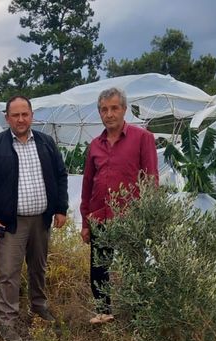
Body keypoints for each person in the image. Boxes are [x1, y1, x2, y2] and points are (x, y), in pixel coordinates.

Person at [0, 95, 69, 341]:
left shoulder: (46, 143)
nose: (20, 119)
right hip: (10, 223)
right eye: (15, 115)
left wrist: (61, 208)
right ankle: (7, 321)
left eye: (24, 114)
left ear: (32, 116)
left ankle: (38, 306)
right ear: (7, 118)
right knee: (8, 272)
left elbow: (60, 175)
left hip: (41, 219)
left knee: (38, 267)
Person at [80, 87, 159, 324]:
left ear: (124, 109)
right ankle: (103, 312)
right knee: (99, 267)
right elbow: (87, 185)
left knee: (134, 266)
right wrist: (86, 222)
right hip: (100, 217)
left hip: (130, 217)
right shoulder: (95, 145)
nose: (109, 113)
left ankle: (138, 315)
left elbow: (151, 179)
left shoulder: (142, 138)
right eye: (104, 109)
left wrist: (149, 218)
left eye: (114, 108)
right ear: (100, 113)